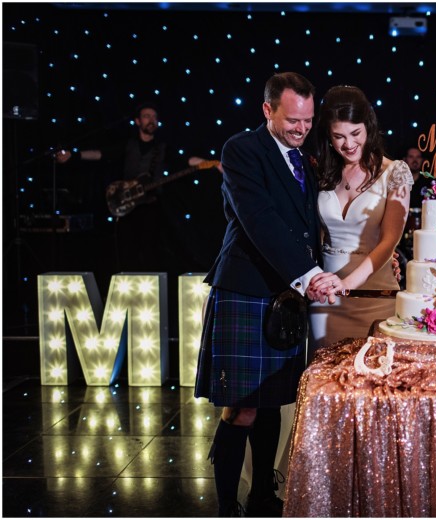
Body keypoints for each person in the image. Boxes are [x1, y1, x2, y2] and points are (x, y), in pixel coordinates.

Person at [193, 72, 330, 517]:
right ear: (267, 110)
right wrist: (310, 276)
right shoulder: (241, 150)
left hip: (287, 297)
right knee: (244, 409)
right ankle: (227, 506)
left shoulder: (305, 161)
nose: (302, 129)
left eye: (308, 121)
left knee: (272, 402)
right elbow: (260, 220)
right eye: (293, 120)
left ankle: (263, 498)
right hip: (247, 289)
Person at [306, 85, 413, 350]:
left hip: (376, 298)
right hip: (327, 302)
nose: (349, 144)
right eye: (339, 136)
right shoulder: (320, 172)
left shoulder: (394, 172)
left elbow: (389, 242)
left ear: (369, 126)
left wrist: (347, 284)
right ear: (328, 137)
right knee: (323, 387)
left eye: (355, 133)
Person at [54, 102, 215, 272]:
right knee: (126, 251)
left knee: (150, 251)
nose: (151, 120)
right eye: (147, 116)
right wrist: (74, 155)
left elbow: (187, 160)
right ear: (138, 121)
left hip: (151, 205)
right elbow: (100, 154)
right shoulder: (128, 144)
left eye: (154, 117)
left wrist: (210, 163)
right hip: (127, 205)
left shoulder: (163, 148)